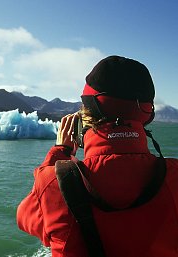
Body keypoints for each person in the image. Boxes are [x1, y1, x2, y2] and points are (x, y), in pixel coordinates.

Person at [16, 55, 178, 257]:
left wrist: (59, 153)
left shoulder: (53, 184)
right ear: (147, 114)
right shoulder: (174, 176)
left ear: (88, 110)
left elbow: (25, 218)